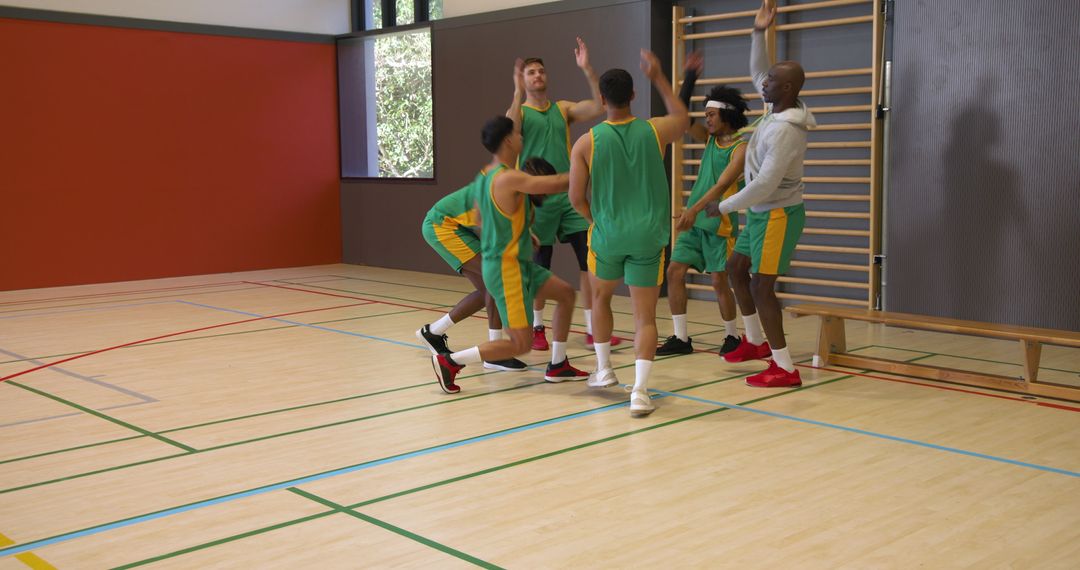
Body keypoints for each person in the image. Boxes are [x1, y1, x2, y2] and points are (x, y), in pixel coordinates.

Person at [568, 50, 689, 417]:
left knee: (601, 298)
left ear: (602, 99)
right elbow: (682, 118)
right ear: (633, 95)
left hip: (608, 235)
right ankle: (639, 392)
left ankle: (604, 370)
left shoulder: (586, 142)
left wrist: (596, 220)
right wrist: (659, 76)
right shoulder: (655, 130)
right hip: (648, 237)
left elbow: (576, 198)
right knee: (645, 318)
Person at [432, 117, 588, 394]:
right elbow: (558, 183)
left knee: (565, 293)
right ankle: (451, 361)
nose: (521, 138)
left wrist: (519, 233)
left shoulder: (485, 176)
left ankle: (558, 364)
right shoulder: (508, 176)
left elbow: (481, 217)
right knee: (520, 344)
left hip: (516, 263)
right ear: (507, 140)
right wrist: (587, 157)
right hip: (506, 270)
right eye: (517, 134)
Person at [706, 0, 816, 388]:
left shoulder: (786, 128)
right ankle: (755, 342)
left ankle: (785, 366)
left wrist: (723, 206)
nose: (761, 83)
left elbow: (767, 182)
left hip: (778, 214)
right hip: (761, 212)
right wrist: (758, 31)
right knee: (737, 268)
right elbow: (757, 69)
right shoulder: (774, 107)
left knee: (761, 285)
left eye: (769, 81)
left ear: (786, 88)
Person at [506, 40, 623, 352]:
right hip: (538, 200)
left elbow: (599, 105)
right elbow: (510, 127)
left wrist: (587, 69)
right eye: (531, 72)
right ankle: (538, 327)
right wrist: (517, 92)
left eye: (541, 71)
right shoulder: (523, 112)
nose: (537, 75)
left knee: (588, 261)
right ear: (524, 79)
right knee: (540, 265)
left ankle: (590, 328)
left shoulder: (562, 109)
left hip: (568, 196)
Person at [657, 53, 749, 358]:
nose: (706, 119)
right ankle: (681, 338)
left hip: (718, 222)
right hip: (695, 221)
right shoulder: (709, 139)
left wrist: (693, 210)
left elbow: (722, 185)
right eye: (706, 114)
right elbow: (681, 119)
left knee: (718, 281)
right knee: (674, 271)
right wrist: (690, 78)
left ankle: (732, 337)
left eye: (711, 114)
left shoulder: (740, 147)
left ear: (727, 116)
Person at [416, 173, 527, 372]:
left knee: (489, 290)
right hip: (442, 225)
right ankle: (494, 353)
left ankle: (433, 332)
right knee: (495, 283)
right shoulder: (500, 190)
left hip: (455, 226)